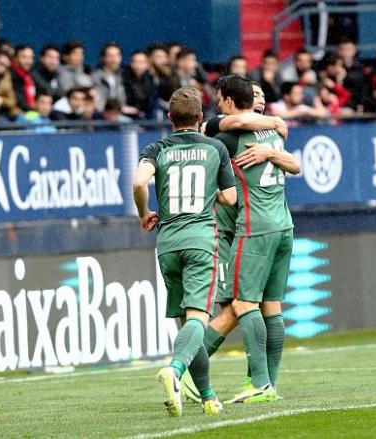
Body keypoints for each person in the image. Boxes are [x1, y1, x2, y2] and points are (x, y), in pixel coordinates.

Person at [179, 81, 297, 404]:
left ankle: (243, 379)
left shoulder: (226, 137)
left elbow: (223, 134)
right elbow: (295, 164)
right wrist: (274, 133)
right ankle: (266, 384)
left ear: (229, 101)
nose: (217, 106)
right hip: (282, 225)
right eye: (255, 94)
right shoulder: (272, 132)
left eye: (219, 100)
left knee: (241, 305)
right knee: (265, 306)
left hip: (251, 228)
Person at [132, 86, 237, 416]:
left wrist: (143, 213)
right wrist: (211, 194)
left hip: (167, 244)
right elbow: (231, 198)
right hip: (200, 241)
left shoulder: (157, 148)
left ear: (169, 118)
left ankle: (207, 396)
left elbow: (138, 183)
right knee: (199, 318)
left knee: (186, 324)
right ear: (200, 118)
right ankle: (175, 371)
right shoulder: (215, 148)